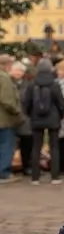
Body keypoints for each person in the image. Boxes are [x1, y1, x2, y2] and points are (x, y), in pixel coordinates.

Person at [22, 58, 64, 185]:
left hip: (36, 119)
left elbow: (27, 103)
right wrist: (60, 116)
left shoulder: (32, 84)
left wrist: (30, 115)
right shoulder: (55, 84)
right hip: (53, 119)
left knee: (36, 147)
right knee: (54, 147)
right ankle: (55, 177)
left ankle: (35, 178)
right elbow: (61, 103)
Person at [0, 55, 22, 183]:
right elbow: (7, 100)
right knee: (6, 145)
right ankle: (4, 173)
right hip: (5, 119)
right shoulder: (4, 78)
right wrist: (17, 111)